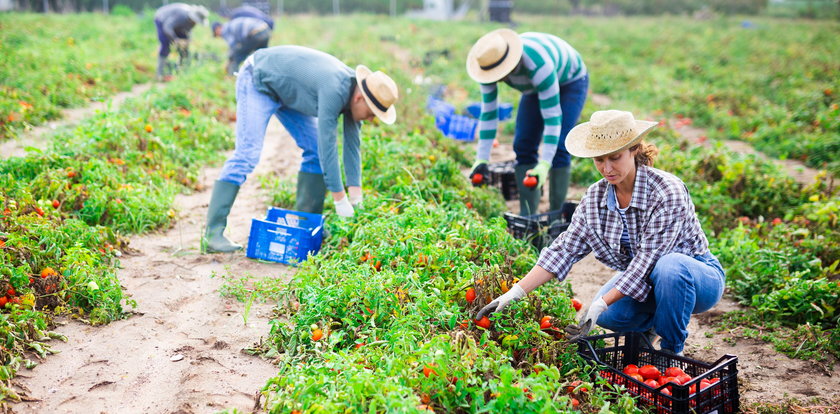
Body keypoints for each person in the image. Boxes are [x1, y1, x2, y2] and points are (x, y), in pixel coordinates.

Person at [476, 110, 726, 356]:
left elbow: (648, 260)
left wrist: (603, 300)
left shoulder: (665, 190)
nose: (607, 168)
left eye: (615, 157)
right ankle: (648, 328)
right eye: (599, 160)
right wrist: (515, 293)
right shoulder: (596, 197)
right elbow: (564, 249)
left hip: (696, 277)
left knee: (669, 267)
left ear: (634, 149)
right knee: (608, 315)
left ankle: (671, 352)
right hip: (645, 280)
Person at [204, 45, 399, 253]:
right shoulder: (334, 88)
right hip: (258, 80)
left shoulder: (355, 96)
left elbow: (353, 147)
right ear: (360, 98)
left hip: (285, 92)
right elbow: (328, 147)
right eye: (371, 113)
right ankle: (213, 234)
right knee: (247, 154)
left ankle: (306, 226)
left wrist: (356, 198)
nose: (370, 119)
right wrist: (340, 200)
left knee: (313, 150)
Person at [466, 29, 588, 216]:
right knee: (523, 144)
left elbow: (552, 118)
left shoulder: (538, 65)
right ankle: (528, 215)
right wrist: (481, 159)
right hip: (534, 87)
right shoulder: (488, 66)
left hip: (571, 82)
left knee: (560, 146)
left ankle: (556, 215)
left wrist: (544, 164)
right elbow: (489, 114)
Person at [154, 3, 209, 80]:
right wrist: (175, 40)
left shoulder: (192, 23)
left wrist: (186, 42)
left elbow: (187, 33)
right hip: (162, 19)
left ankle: (180, 70)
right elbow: (167, 27)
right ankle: (159, 73)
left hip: (175, 25)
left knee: (184, 48)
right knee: (165, 44)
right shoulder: (181, 16)